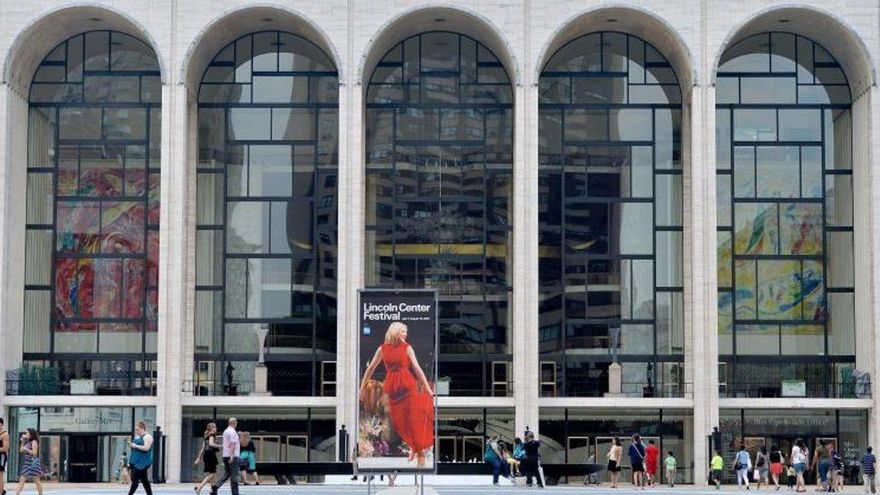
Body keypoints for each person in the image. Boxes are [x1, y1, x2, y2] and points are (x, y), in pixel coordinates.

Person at [360, 321, 434, 467]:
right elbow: (371, 368)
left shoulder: (407, 348)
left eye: (406, 332)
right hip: (393, 388)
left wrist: (427, 388)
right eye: (403, 331)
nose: (406, 334)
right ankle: (414, 446)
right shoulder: (382, 349)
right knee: (400, 422)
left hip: (407, 386)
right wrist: (362, 388)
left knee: (413, 419)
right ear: (395, 331)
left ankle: (419, 453)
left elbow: (417, 368)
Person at [211, 418, 240, 495]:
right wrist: (232, 456)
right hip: (232, 456)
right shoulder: (233, 432)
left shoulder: (225, 431)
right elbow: (233, 444)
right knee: (234, 475)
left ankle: (215, 486)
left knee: (227, 473)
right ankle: (235, 493)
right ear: (234, 423)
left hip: (225, 455)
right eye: (236, 423)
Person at [193, 422, 221, 495]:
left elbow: (202, 448)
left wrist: (198, 458)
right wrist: (221, 446)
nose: (216, 428)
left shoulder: (206, 436)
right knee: (212, 473)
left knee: (212, 473)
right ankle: (199, 487)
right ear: (211, 428)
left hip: (207, 455)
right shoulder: (212, 435)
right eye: (214, 427)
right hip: (210, 455)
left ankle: (213, 490)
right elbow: (211, 444)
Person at [127, 421, 153, 495]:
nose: (136, 431)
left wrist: (135, 446)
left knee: (135, 480)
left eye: (137, 429)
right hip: (137, 462)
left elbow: (146, 448)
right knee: (145, 480)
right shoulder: (138, 437)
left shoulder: (148, 436)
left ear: (142, 428)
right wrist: (132, 445)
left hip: (143, 462)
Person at [13, 429, 42, 495]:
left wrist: (26, 449)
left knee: (36, 480)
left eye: (27, 433)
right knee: (22, 479)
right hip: (27, 463)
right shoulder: (27, 442)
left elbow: (34, 453)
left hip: (33, 462)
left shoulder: (34, 441)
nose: (26, 434)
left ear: (31, 434)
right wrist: (23, 441)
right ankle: (17, 494)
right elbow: (21, 450)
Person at [0, 418, 9, 495]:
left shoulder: (5, 435)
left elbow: (5, 448)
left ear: (1, 424)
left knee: (0, 475)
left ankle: (1, 491)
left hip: (1, 457)